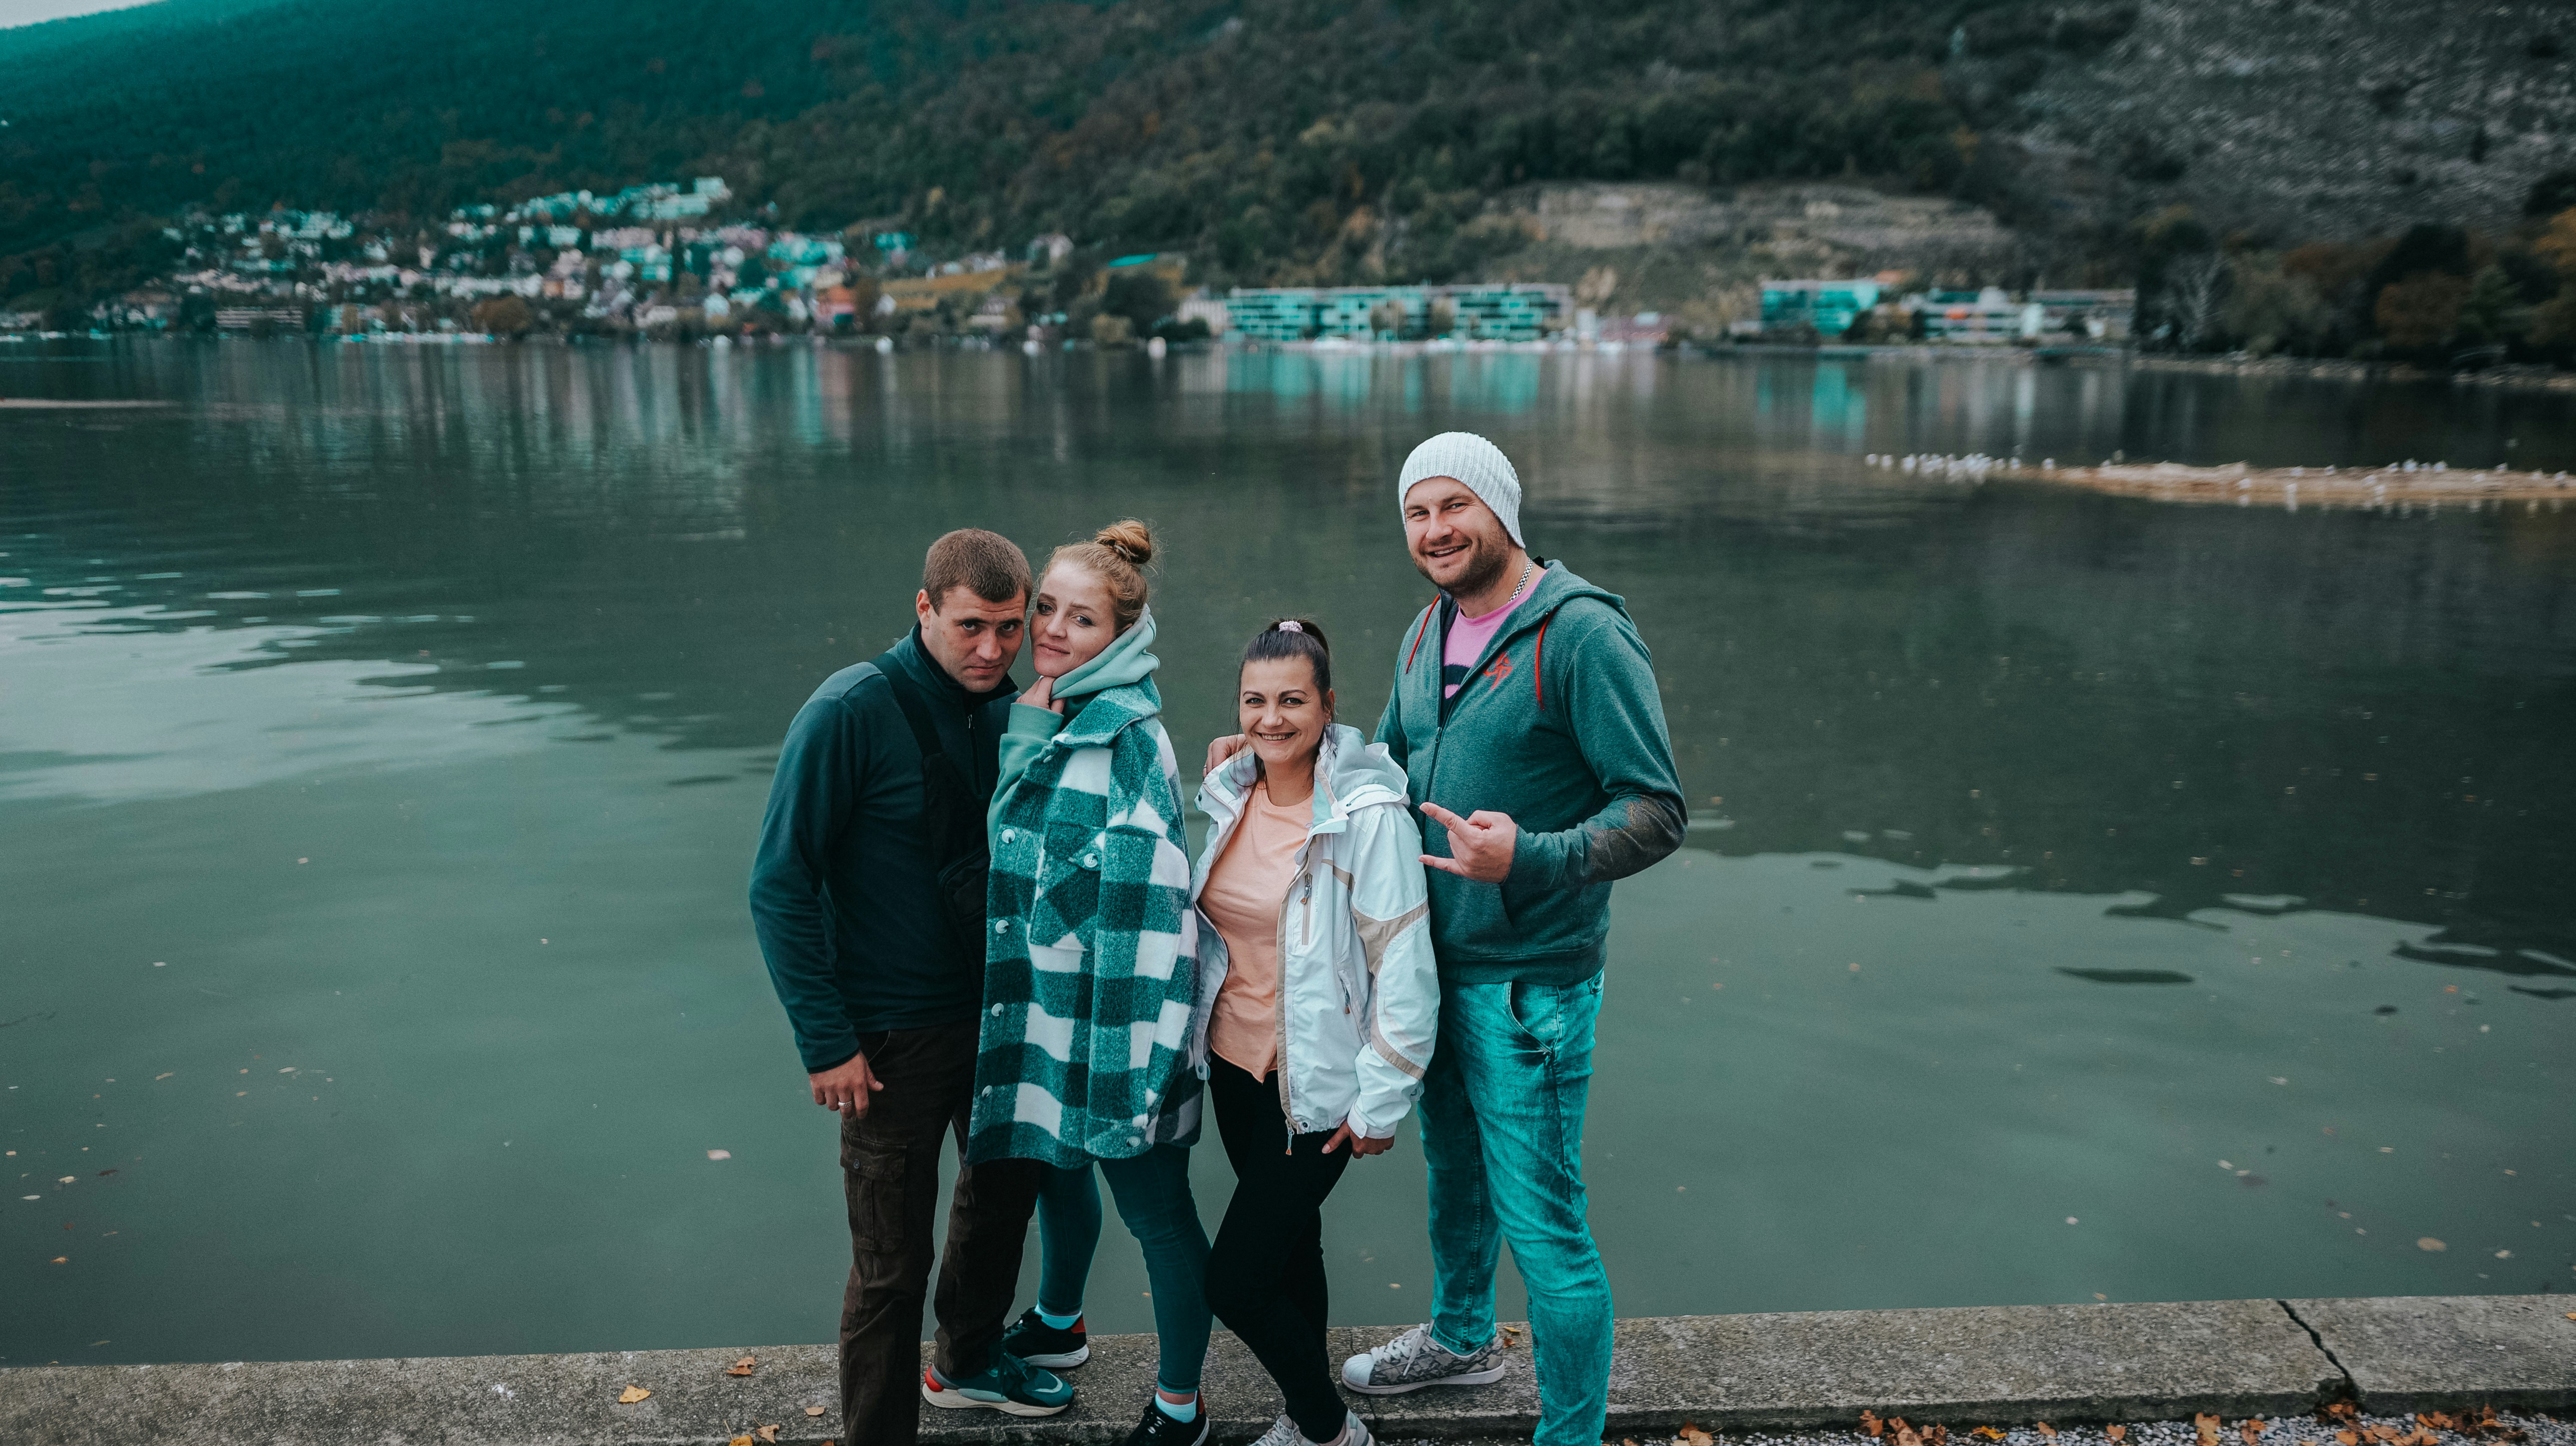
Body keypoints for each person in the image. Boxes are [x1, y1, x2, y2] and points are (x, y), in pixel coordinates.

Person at [1206, 432, 1684, 1446]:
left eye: (1453, 507)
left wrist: (1535, 856)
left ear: (1502, 510)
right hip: (1435, 962)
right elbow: (1378, 761)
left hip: (1530, 987)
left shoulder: (1582, 634)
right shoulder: (1432, 630)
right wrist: (1260, 752)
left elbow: (1657, 810)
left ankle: (1570, 1434)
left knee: (1546, 1224)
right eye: (1417, 513)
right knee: (1455, 1179)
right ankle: (1464, 1338)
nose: (1434, 530)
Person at [748, 529, 1074, 1443]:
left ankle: (967, 1360)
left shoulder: (1016, 712)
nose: (991, 650)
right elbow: (779, 883)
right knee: (890, 1265)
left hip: (1003, 1017)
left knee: (1003, 1204)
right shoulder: (850, 711)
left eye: (1010, 629)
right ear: (924, 607)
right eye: (972, 626)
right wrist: (826, 1039)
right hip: (888, 1037)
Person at [961, 520, 1215, 1446]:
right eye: (1047, 612)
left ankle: (1182, 1405)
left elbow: (1152, 922)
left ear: (1125, 635)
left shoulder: (1124, 739)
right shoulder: (1058, 713)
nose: (1054, 632)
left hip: (1121, 1032)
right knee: (1055, 1168)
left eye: (1083, 619)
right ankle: (1062, 1324)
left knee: (1156, 1213)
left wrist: (1134, 1075)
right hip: (1052, 1014)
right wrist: (1033, 709)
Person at [1192, 620, 1440, 1446]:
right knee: (1295, 1245)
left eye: (1293, 700)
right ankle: (1306, 1416)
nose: (1272, 719)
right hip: (1234, 1067)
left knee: (1233, 1282)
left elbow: (1402, 962)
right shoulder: (1232, 793)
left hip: (1319, 1084)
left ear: (1328, 706)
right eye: (1256, 701)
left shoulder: (1367, 815)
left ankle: (1333, 1432)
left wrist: (1384, 1098)